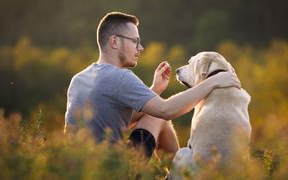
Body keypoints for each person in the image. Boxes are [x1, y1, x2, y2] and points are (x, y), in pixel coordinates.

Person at [64, 12, 240, 159]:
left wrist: (154, 90)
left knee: (153, 114)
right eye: (135, 41)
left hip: (79, 169)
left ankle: (178, 171)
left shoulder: (79, 79)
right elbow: (167, 110)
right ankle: (181, 174)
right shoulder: (119, 77)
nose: (140, 48)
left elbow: (118, 118)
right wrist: (213, 81)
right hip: (114, 171)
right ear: (114, 42)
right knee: (159, 116)